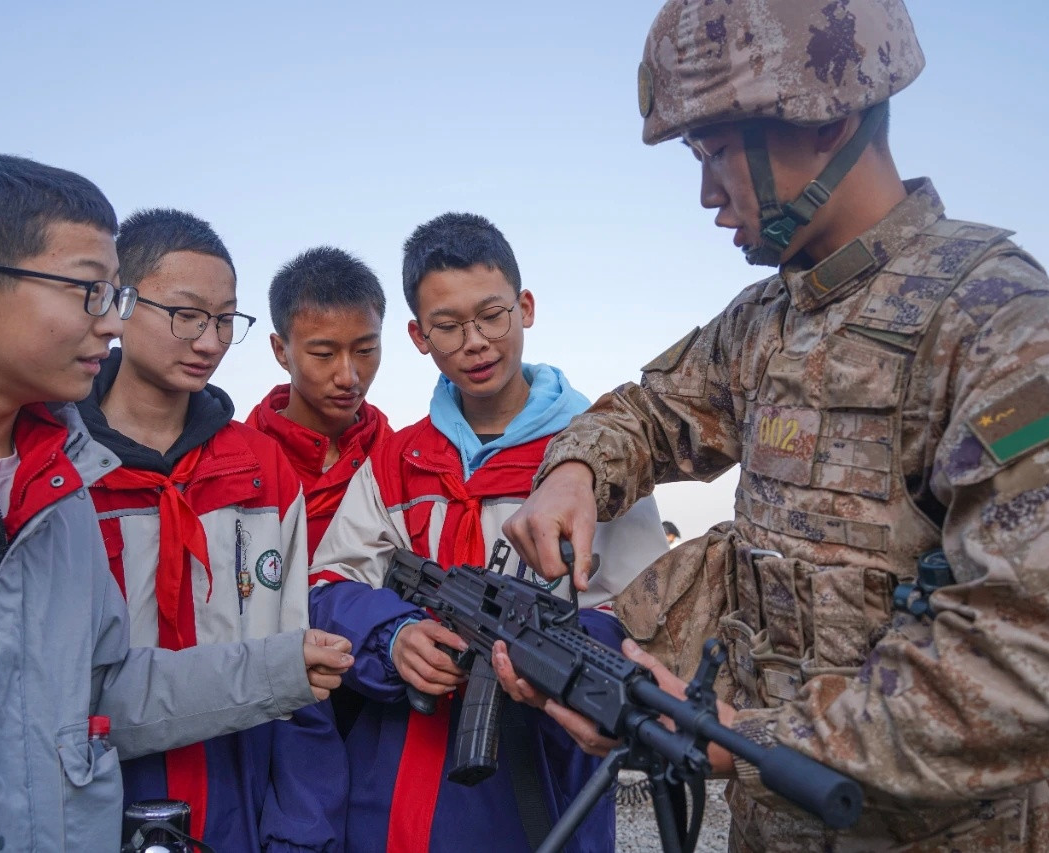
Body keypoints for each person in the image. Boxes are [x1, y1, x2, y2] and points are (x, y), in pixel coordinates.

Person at [500, 1, 1049, 849]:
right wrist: (573, 471)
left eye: (717, 152)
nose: (705, 193)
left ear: (826, 118)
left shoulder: (1000, 327)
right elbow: (650, 411)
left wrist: (745, 739)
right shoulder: (768, 320)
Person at [0, 154, 352, 852]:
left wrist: (283, 666)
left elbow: (100, 691)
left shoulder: (57, 488)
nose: (112, 324)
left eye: (115, 296)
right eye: (90, 292)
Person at [307, 212, 667, 852]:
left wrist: (549, 654)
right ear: (419, 336)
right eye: (447, 325)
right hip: (397, 778)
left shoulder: (595, 458)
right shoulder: (398, 459)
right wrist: (393, 637)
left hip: (546, 772)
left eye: (492, 314)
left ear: (525, 308)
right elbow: (330, 582)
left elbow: (645, 613)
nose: (475, 341)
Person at [77, 209, 346, 851]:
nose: (209, 340)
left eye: (226, 319)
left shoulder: (261, 469)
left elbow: (298, 667)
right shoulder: (63, 467)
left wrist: (300, 831)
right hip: (94, 791)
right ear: (121, 302)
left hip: (239, 790)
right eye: (187, 314)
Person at [246, 246, 391, 558]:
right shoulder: (238, 462)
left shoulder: (398, 460)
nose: (348, 377)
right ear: (281, 351)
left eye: (365, 350)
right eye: (324, 355)